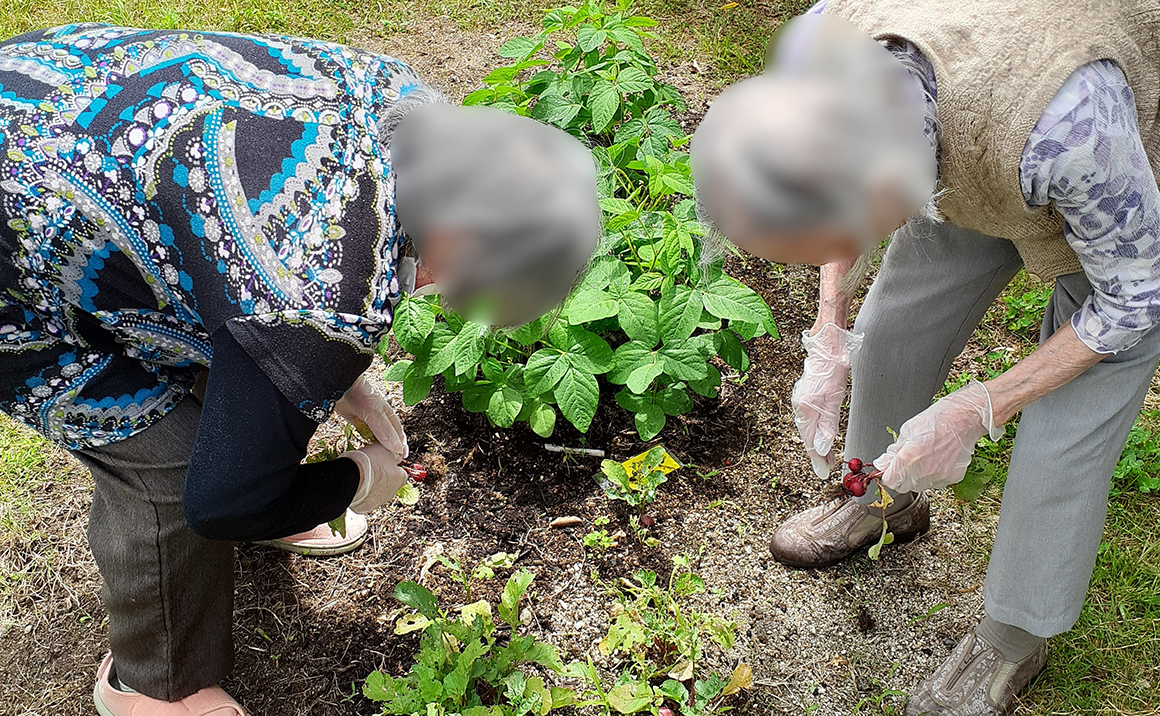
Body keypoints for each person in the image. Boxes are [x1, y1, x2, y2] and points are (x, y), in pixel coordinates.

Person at [0, 24, 599, 715]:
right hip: (17, 227)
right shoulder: (325, 292)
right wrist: (352, 479)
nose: (443, 291)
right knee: (171, 467)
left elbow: (244, 268)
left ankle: (258, 484)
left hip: (53, 94)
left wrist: (328, 376)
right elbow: (220, 503)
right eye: (476, 278)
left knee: (244, 389)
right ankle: (152, 684)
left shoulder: (404, 108)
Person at [691, 4, 1160, 715]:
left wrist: (982, 407)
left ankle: (1013, 638)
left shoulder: (1072, 131)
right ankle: (879, 498)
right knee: (889, 332)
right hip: (974, 133)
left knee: (1067, 422)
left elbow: (1135, 297)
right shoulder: (831, 43)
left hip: (1107, 185)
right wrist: (829, 332)